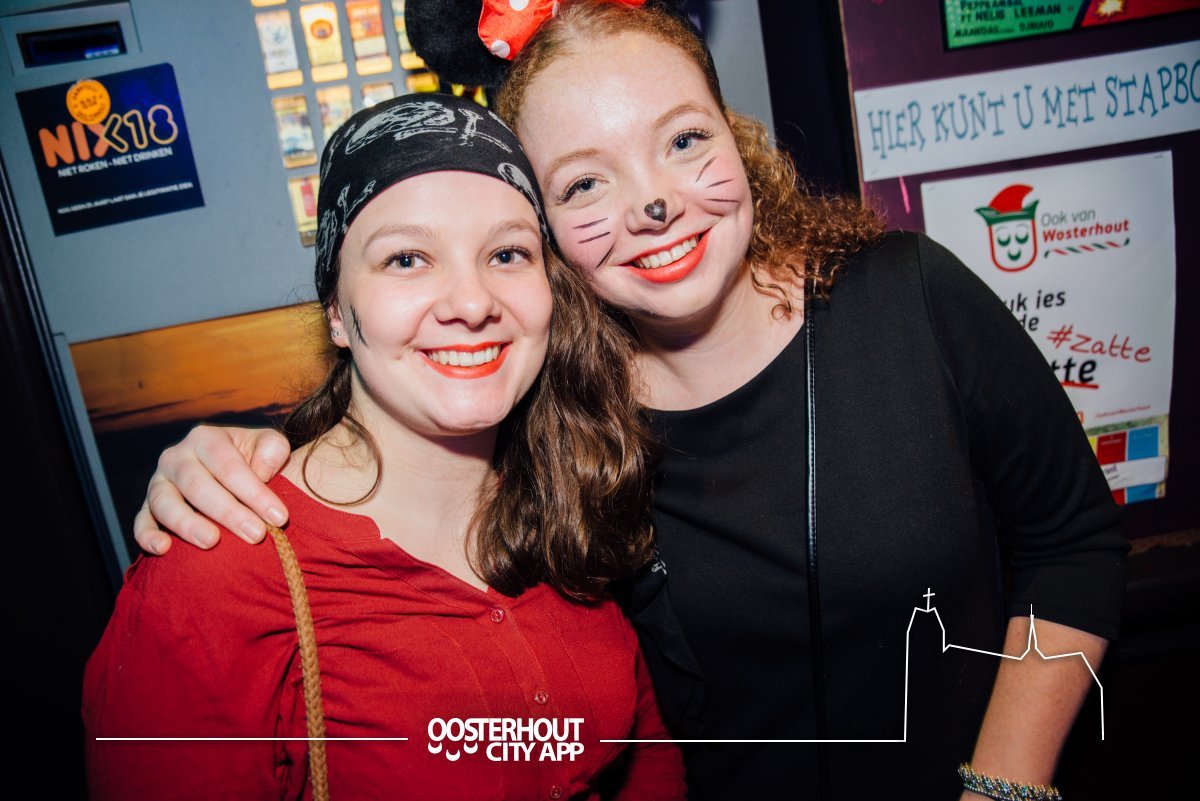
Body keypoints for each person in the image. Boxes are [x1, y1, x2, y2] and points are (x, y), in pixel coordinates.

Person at [130, 2, 1128, 798]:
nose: (653, 201)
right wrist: (222, 461)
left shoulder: (910, 298)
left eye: (683, 140)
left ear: (738, 139)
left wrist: (1002, 790)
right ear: (551, 242)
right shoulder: (551, 419)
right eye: (583, 185)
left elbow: (1073, 543)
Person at [84, 92, 686, 801]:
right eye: (406, 258)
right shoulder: (214, 572)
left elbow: (646, 757)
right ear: (337, 313)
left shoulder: (567, 489)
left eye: (507, 253)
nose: (472, 302)